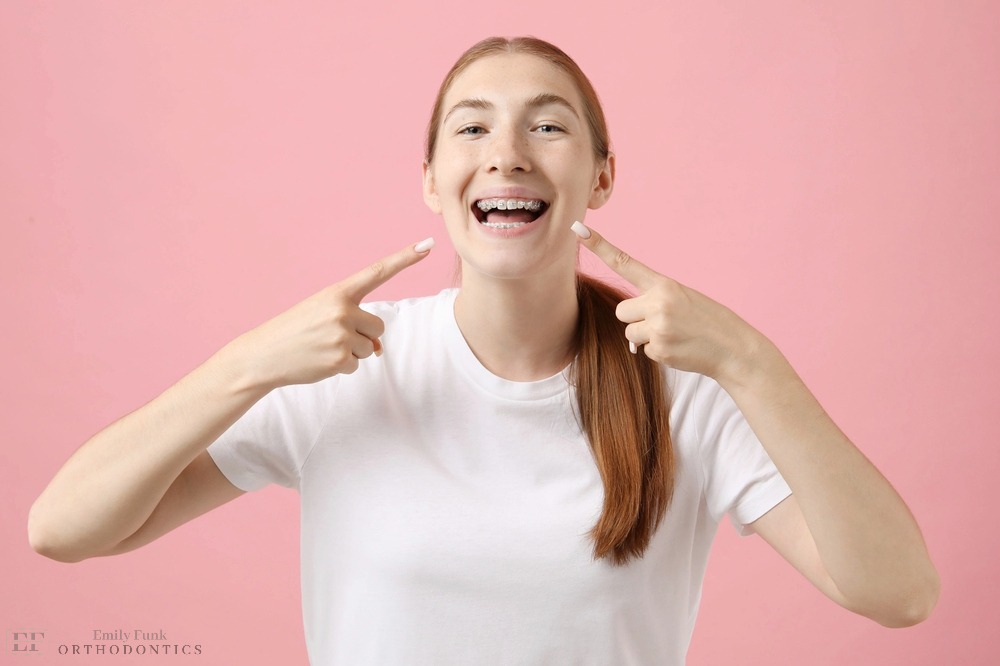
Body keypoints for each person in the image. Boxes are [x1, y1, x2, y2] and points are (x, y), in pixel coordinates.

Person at [28, 36, 939, 665]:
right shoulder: (348, 368)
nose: (506, 153)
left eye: (547, 125)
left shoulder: (686, 389)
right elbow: (63, 529)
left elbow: (899, 592)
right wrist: (247, 364)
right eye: (471, 127)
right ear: (432, 180)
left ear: (603, 173)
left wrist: (752, 363)